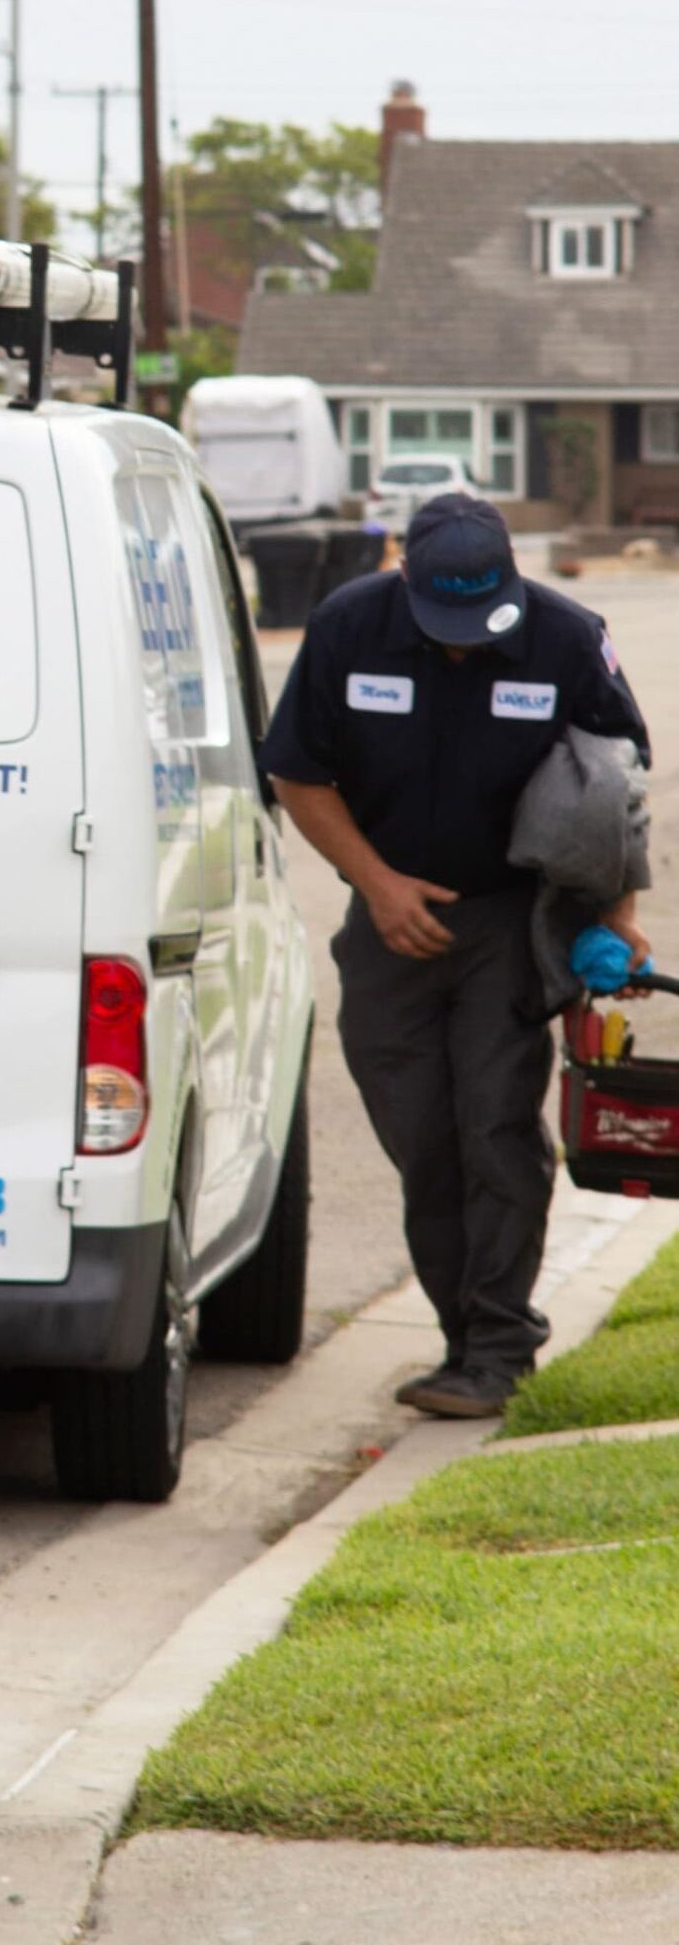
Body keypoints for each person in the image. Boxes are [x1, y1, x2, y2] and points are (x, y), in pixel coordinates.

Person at [260, 493, 651, 1416]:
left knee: (495, 1125)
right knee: (421, 1136)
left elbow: (614, 785)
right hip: (389, 921)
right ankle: (459, 1335)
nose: (467, 644)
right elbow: (296, 772)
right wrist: (380, 885)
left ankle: (497, 1347)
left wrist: (616, 916)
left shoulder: (565, 637)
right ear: (407, 578)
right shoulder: (347, 627)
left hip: (507, 922)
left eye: (485, 624)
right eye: (449, 624)